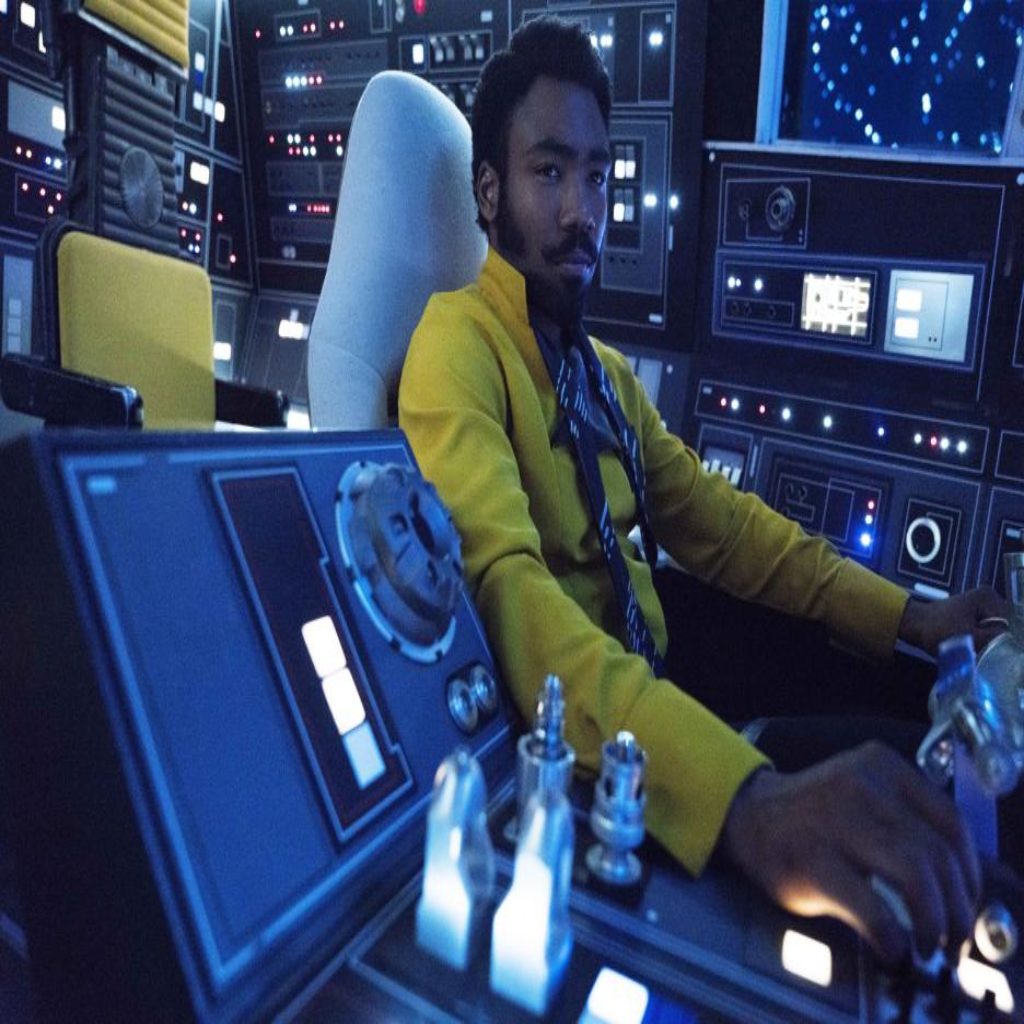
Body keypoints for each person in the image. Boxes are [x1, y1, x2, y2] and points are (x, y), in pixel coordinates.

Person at [398, 16, 1011, 964]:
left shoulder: (603, 375)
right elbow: (506, 592)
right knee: (925, 810)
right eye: (548, 172)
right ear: (490, 191)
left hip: (670, 700)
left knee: (949, 750)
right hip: (588, 757)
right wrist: (744, 798)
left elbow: (727, 530)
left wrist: (910, 617)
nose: (581, 211)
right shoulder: (455, 346)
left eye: (598, 175)